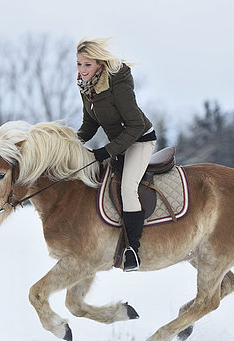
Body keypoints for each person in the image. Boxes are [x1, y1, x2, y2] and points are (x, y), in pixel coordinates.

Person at [76, 38, 157, 272]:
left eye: (87, 65)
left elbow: (135, 125)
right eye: (79, 65)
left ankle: (132, 250)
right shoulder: (86, 87)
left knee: (128, 188)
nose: (82, 71)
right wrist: (70, 144)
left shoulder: (118, 84)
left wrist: (106, 151)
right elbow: (89, 123)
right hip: (120, 143)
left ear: (99, 65)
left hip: (140, 140)